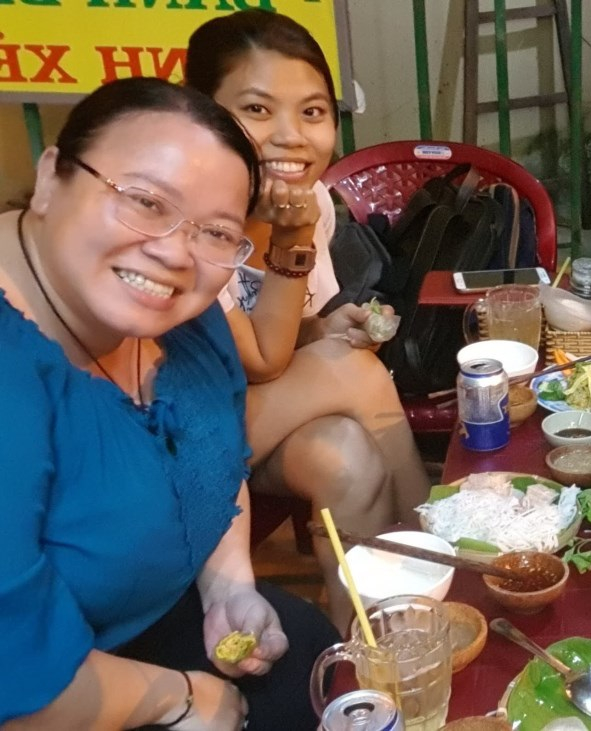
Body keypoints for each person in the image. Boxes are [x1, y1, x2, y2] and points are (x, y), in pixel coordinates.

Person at [0, 77, 337, 730]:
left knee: (318, 665)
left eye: (216, 232)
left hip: (160, 615)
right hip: (44, 687)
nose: (174, 252)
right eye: (145, 202)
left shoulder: (178, 313)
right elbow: (17, 678)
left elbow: (213, 455)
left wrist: (228, 584)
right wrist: (177, 698)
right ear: (49, 178)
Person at [185, 9, 430, 627]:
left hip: (260, 422)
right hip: (187, 436)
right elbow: (261, 362)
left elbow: (290, 335)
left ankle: (374, 642)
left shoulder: (310, 200)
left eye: (313, 112)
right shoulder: (189, 223)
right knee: (354, 371)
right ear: (202, 113)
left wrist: (325, 328)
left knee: (345, 458)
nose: (291, 136)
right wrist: (291, 240)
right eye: (258, 109)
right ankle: (436, 551)